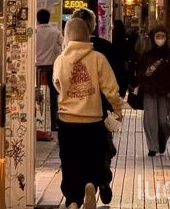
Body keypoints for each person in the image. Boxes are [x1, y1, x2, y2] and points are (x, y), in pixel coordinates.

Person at [53, 16, 123, 208]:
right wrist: (117, 108)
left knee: (69, 161)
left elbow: (58, 85)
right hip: (93, 119)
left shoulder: (61, 60)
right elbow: (111, 88)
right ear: (87, 36)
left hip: (67, 120)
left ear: (67, 36)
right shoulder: (98, 59)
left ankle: (73, 200)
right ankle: (91, 184)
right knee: (93, 156)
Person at [135, 26, 170, 157]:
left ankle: (162, 141)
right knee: (150, 119)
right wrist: (145, 73)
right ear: (153, 38)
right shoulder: (146, 55)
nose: (160, 39)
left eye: (162, 36)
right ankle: (153, 147)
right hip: (149, 90)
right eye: (157, 37)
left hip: (164, 92)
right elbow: (139, 73)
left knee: (163, 121)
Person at [36, 8, 63, 124]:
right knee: (52, 97)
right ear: (48, 18)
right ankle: (52, 122)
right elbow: (64, 45)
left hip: (36, 69)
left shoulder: (34, 31)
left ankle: (37, 121)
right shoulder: (55, 32)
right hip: (51, 69)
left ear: (37, 19)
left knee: (36, 95)